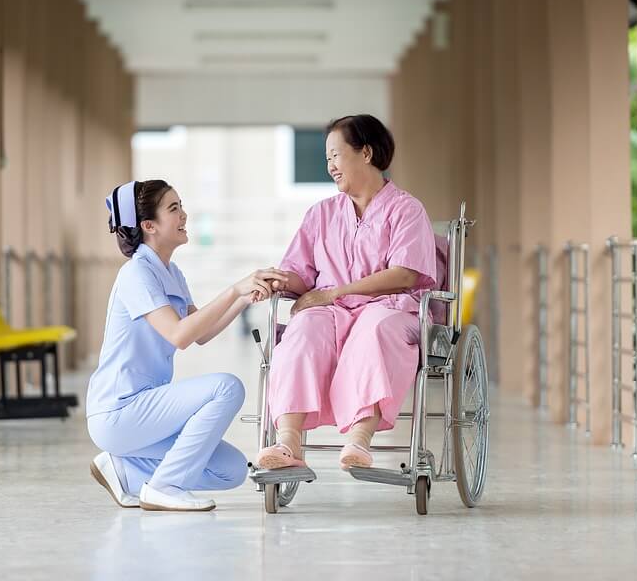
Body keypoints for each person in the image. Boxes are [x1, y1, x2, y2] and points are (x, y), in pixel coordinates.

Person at [87, 179, 285, 511]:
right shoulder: (137, 273)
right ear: (149, 226)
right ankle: (165, 487)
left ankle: (124, 471)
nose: (184, 215)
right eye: (174, 209)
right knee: (226, 387)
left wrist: (246, 296)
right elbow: (179, 335)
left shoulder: (171, 272)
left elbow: (200, 333)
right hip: (119, 410)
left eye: (181, 206)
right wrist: (234, 289)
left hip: (144, 409)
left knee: (230, 471)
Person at [254, 114, 438, 472]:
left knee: (374, 328)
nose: (330, 166)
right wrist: (281, 281)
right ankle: (288, 442)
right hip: (332, 309)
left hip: (391, 307)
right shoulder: (321, 214)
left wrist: (335, 292)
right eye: (327, 159)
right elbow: (302, 274)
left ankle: (359, 439)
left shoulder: (406, 209)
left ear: (366, 153)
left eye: (336, 156)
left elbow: (403, 274)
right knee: (303, 330)